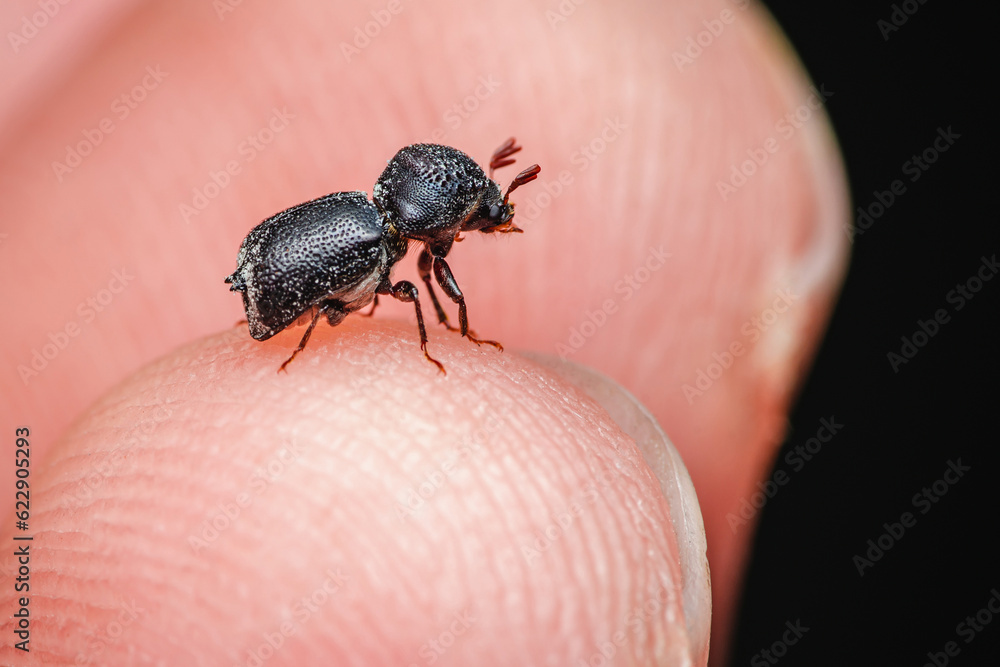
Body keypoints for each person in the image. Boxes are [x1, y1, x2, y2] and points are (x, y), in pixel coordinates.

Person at [0, 0, 847, 664]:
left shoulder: (386, 222)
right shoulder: (379, 238)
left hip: (294, 253)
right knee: (410, 309)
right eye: (479, 212)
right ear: (443, 215)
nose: (484, 225)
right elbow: (423, 286)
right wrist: (430, 338)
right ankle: (406, 343)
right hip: (287, 283)